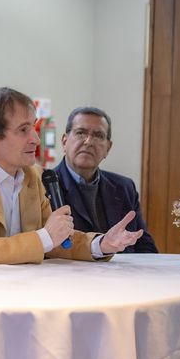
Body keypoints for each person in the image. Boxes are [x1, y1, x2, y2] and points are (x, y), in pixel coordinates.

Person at [0, 87, 143, 267]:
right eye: (23, 130)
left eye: (34, 128)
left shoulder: (34, 174)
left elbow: (57, 241)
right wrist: (44, 237)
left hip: (20, 290)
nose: (36, 139)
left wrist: (101, 244)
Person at [54, 106, 157, 253]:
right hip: (71, 274)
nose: (88, 141)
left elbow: (145, 247)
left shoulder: (124, 187)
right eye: (80, 133)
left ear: (108, 148)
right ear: (64, 141)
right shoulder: (45, 186)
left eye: (98, 135)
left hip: (123, 273)